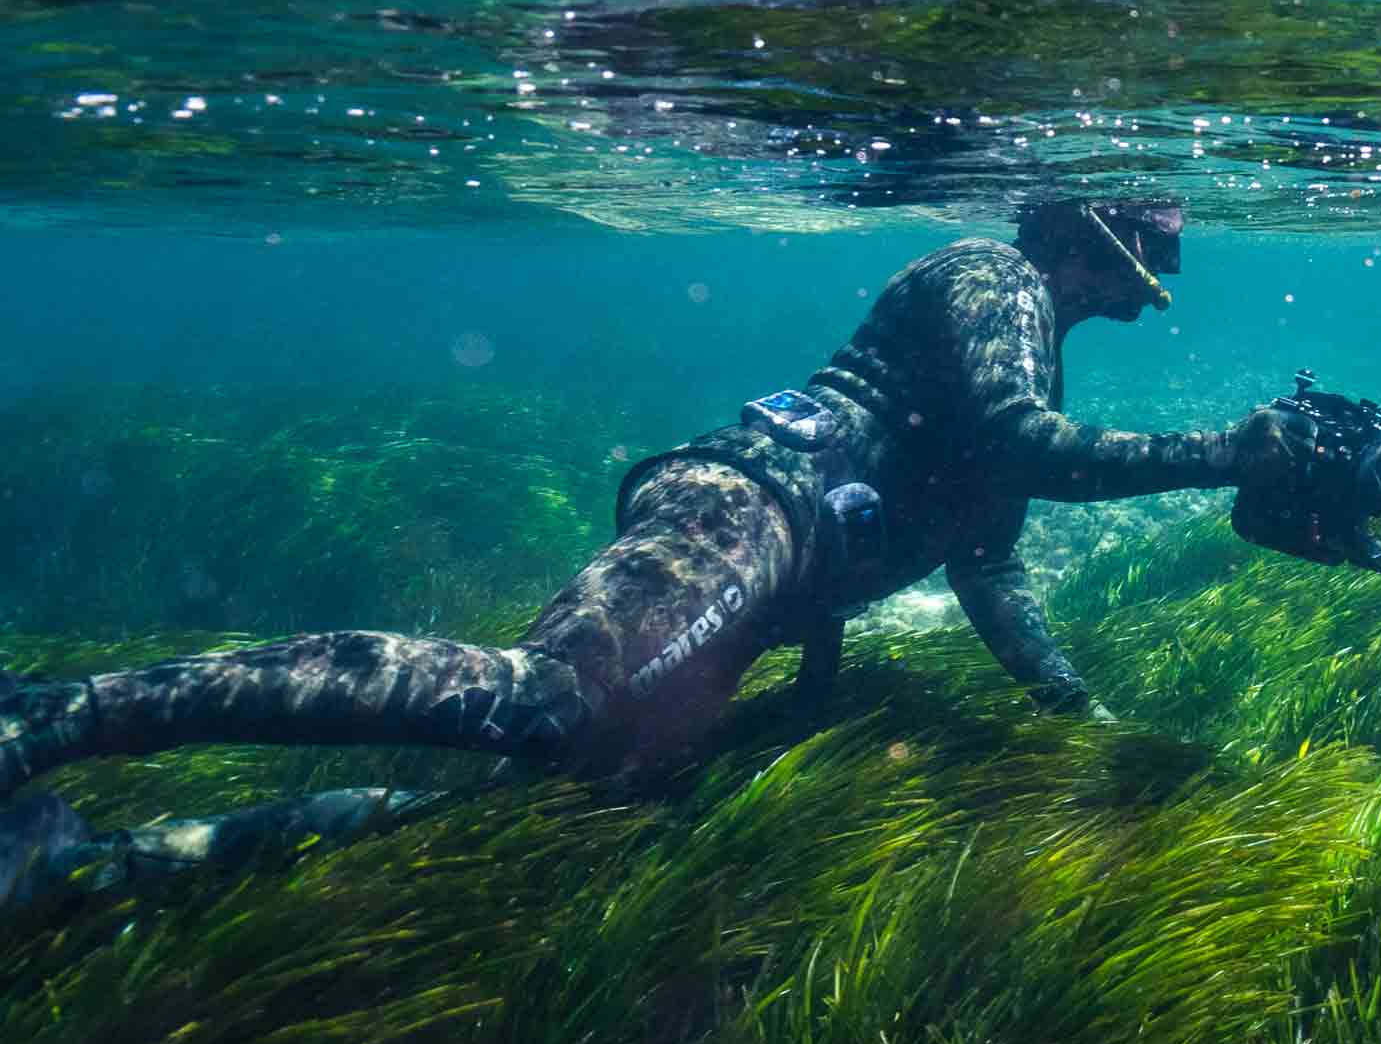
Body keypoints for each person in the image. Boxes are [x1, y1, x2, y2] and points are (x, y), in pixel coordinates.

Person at [0, 197, 1307, 866]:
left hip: (770, 568)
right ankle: (51, 716)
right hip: (741, 517)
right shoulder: (990, 277)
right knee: (543, 700)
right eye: (1155, 263)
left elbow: (989, 561)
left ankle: (106, 868)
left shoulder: (1034, 343)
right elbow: (1024, 450)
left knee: (534, 805)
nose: (1158, 295)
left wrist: (1073, 713)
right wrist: (1220, 456)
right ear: (1100, 234)